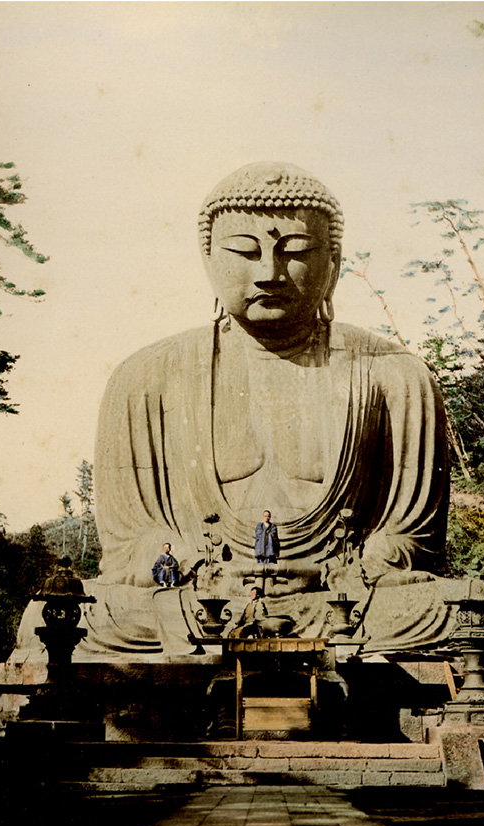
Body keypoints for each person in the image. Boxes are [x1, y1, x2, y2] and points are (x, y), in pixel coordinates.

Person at [95, 161, 449, 599]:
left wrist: (361, 570)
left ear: (334, 262)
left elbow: (411, 541)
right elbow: (129, 542)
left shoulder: (396, 375)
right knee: (93, 614)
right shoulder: (145, 379)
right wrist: (195, 571)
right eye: (245, 252)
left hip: (343, 595)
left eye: (296, 251)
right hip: (201, 594)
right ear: (208, 261)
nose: (269, 273)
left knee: (439, 608)